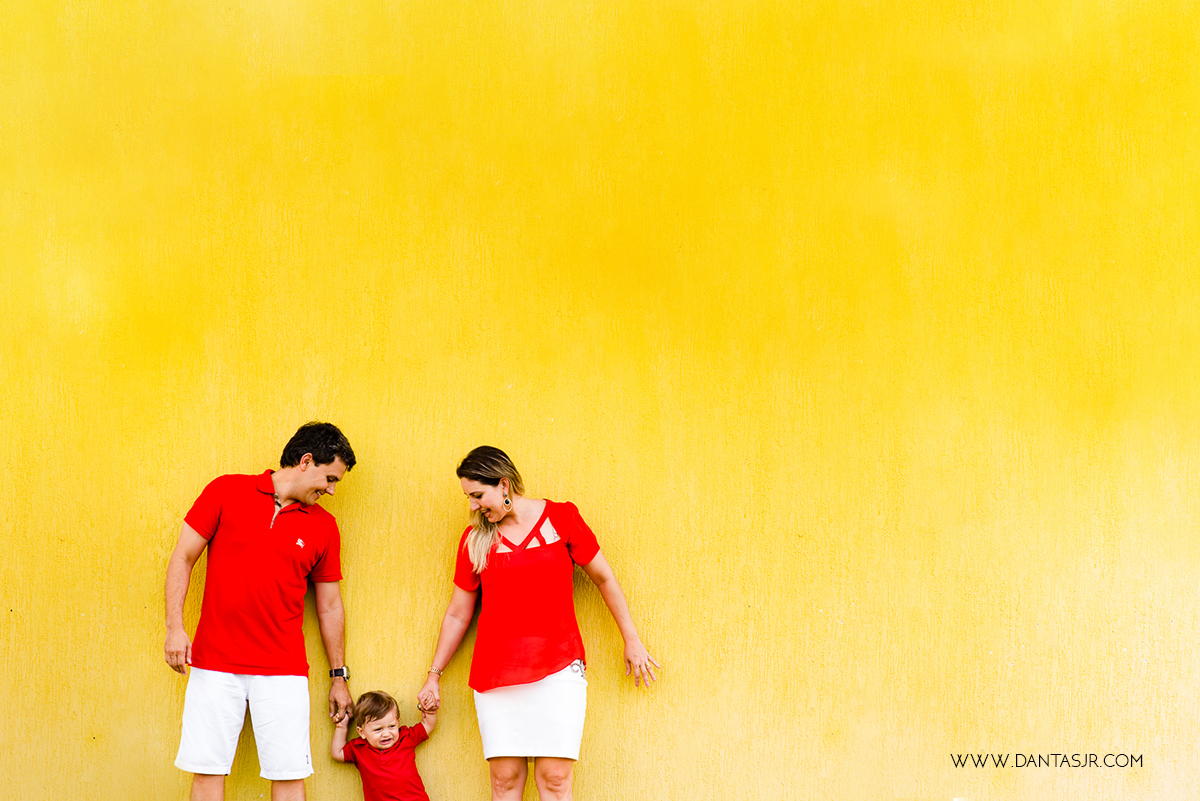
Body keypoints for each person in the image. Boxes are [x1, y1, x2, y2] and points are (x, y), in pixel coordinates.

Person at [417, 446, 660, 801]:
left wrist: (632, 640)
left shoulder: (562, 519)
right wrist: (433, 674)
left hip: (558, 669)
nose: (472, 506)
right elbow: (458, 612)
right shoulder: (475, 540)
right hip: (495, 675)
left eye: (477, 495)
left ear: (503, 485)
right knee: (505, 780)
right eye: (468, 497)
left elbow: (604, 579)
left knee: (556, 779)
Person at [163, 422, 357, 801]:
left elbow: (330, 605)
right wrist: (174, 628)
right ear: (306, 461)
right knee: (207, 773)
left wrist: (339, 675)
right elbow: (182, 558)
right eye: (330, 477)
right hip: (213, 664)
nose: (331, 489)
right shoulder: (226, 490)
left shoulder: (324, 526)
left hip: (283, 670)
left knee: (289, 777)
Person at [331, 690, 438, 801]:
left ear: (398, 722)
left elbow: (428, 725)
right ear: (361, 732)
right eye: (378, 729)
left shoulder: (405, 738)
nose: (386, 734)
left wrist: (429, 708)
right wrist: (342, 727)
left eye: (391, 726)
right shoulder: (359, 748)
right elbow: (337, 753)